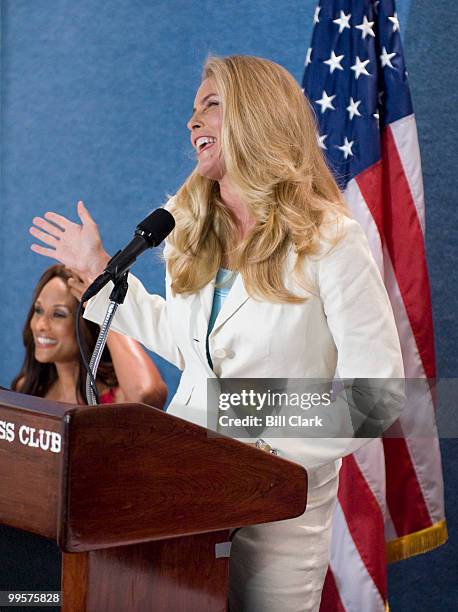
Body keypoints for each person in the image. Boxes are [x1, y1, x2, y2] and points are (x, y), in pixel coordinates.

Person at [29, 55, 404, 611]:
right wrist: (98, 270)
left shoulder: (330, 239)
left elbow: (378, 397)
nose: (192, 123)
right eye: (192, 110)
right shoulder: (186, 225)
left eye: (210, 106)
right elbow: (185, 342)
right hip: (183, 490)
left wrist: (263, 451)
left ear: (257, 116)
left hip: (277, 505)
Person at [12, 264, 167, 407]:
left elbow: (146, 393)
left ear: (89, 323)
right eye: (38, 310)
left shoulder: (118, 399)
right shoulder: (29, 389)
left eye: (58, 314)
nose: (40, 326)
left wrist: (105, 312)